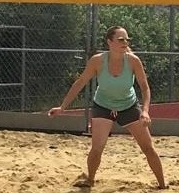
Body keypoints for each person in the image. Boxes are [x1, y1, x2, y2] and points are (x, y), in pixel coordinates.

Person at [48, 26, 167, 189]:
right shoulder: (98, 61)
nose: (125, 42)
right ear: (109, 42)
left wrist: (145, 111)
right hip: (103, 106)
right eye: (120, 39)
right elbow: (80, 82)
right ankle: (90, 180)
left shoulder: (133, 61)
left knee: (148, 147)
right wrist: (62, 107)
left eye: (127, 40)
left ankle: (162, 185)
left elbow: (145, 87)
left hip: (128, 106)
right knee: (97, 149)